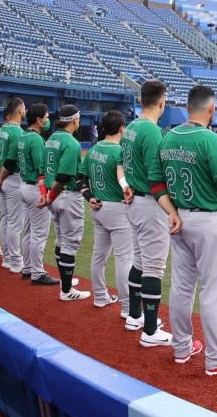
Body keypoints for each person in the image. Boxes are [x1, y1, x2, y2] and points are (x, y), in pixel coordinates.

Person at [160, 85, 217, 375]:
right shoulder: (209, 140)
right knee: (214, 290)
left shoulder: (168, 136)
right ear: (211, 109)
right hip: (207, 218)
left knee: (182, 287)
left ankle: (182, 347)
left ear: (188, 107)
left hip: (177, 217)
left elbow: (156, 181)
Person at [120, 80, 181, 346]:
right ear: (161, 100)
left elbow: (122, 163)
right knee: (154, 267)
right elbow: (160, 173)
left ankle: (135, 316)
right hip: (149, 202)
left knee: (140, 262)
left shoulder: (132, 126)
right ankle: (150, 331)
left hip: (134, 201)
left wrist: (126, 185)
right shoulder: (152, 131)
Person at [77, 109, 133, 307]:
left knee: (98, 256)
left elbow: (79, 178)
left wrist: (88, 197)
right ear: (120, 128)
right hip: (118, 208)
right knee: (124, 258)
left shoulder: (93, 149)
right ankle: (128, 307)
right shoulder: (119, 151)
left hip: (98, 206)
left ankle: (100, 296)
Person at [43, 104, 94, 300]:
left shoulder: (51, 139)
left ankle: (66, 279)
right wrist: (51, 196)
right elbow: (64, 175)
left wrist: (48, 196)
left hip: (53, 195)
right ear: (74, 120)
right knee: (70, 243)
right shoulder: (71, 143)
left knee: (61, 239)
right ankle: (66, 291)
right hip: (65, 195)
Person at [17, 103, 58, 285]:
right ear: (39, 119)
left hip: (24, 185)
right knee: (39, 234)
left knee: (28, 231)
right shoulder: (36, 140)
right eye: (47, 117)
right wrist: (45, 192)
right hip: (35, 188)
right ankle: (37, 272)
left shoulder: (23, 136)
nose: (48, 120)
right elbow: (42, 169)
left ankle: (27, 268)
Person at [0, 97, 26, 275]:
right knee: (14, 221)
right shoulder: (18, 132)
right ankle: (15, 260)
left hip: (1, 177)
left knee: (5, 218)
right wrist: (2, 178)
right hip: (12, 178)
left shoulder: (0, 131)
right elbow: (12, 161)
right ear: (20, 111)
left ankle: (6, 257)